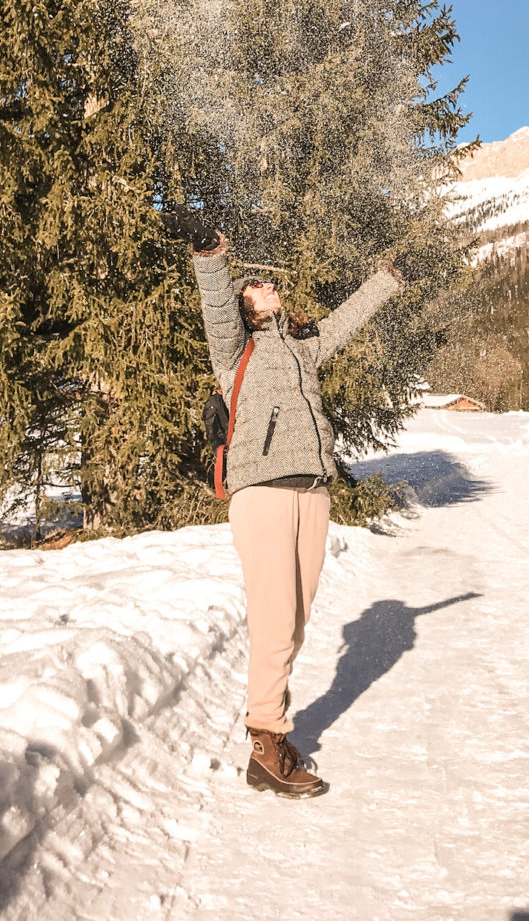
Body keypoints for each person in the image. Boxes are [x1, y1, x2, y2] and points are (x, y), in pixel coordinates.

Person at [165, 204, 403, 799]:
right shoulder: (233, 351)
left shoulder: (301, 349)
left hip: (311, 491)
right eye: (257, 285)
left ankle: (268, 727)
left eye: (269, 282)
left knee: (293, 622)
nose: (267, 284)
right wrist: (210, 253)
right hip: (263, 491)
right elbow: (216, 303)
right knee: (274, 617)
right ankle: (266, 739)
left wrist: (389, 279)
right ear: (248, 306)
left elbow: (347, 320)